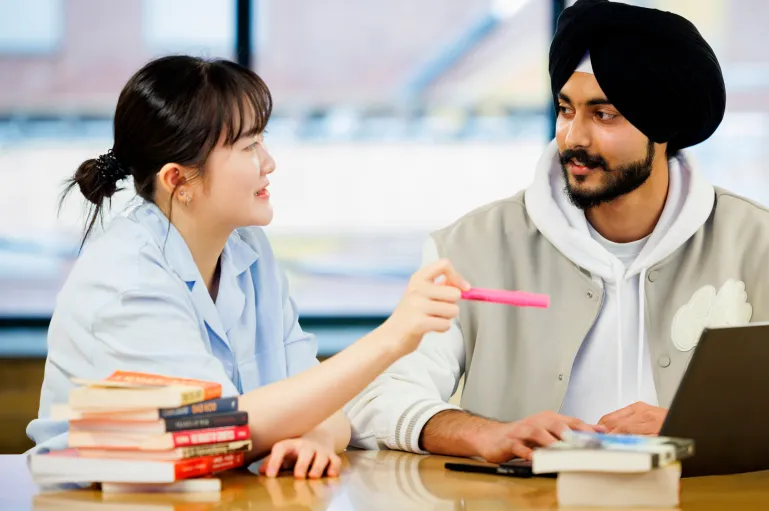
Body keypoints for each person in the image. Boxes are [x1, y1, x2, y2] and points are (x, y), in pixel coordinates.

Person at [345, 0, 769, 462]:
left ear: (663, 127)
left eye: (604, 115)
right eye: (566, 110)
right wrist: (486, 433)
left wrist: (699, 431)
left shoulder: (767, 244)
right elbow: (377, 397)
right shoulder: (470, 245)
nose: (573, 137)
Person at [26, 55, 471, 479]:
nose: (269, 162)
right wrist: (394, 337)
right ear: (178, 180)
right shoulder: (126, 278)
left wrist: (313, 438)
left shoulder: (247, 250)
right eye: (249, 146)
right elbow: (213, 432)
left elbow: (328, 408)